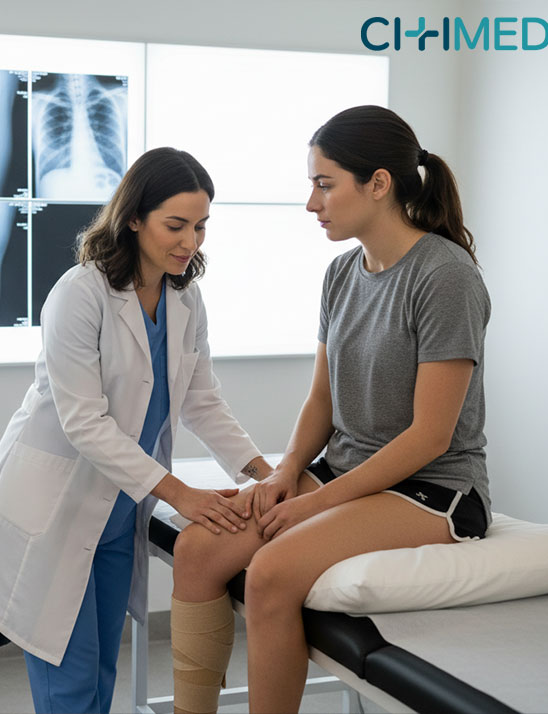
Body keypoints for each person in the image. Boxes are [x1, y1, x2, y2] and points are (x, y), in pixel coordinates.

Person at [170, 105, 492, 714]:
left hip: (433, 489)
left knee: (272, 571)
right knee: (197, 549)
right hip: (347, 471)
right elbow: (322, 399)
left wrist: (314, 505)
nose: (311, 203)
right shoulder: (342, 273)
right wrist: (287, 471)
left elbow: (430, 436)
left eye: (325, 184)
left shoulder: (444, 276)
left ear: (378, 183)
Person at [0, 147, 274, 714]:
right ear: (133, 218)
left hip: (116, 512)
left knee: (102, 672)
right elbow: (85, 422)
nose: (190, 242)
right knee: (71, 685)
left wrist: (263, 473)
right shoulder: (79, 294)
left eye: (201, 226)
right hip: (57, 507)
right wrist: (181, 494)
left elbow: (201, 400)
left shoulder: (185, 296)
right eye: (175, 226)